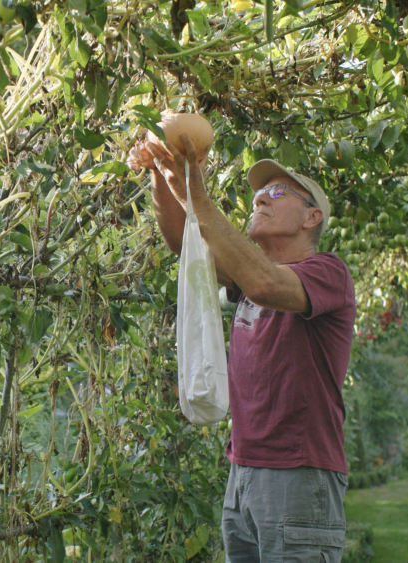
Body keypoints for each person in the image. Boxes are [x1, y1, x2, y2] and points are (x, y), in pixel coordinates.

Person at [128, 133, 355, 563]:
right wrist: (162, 173)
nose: (259, 199)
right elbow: (184, 245)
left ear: (312, 217)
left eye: (276, 191)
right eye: (257, 194)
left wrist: (195, 189)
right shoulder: (248, 277)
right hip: (244, 471)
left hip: (299, 474)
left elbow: (266, 284)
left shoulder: (327, 273)